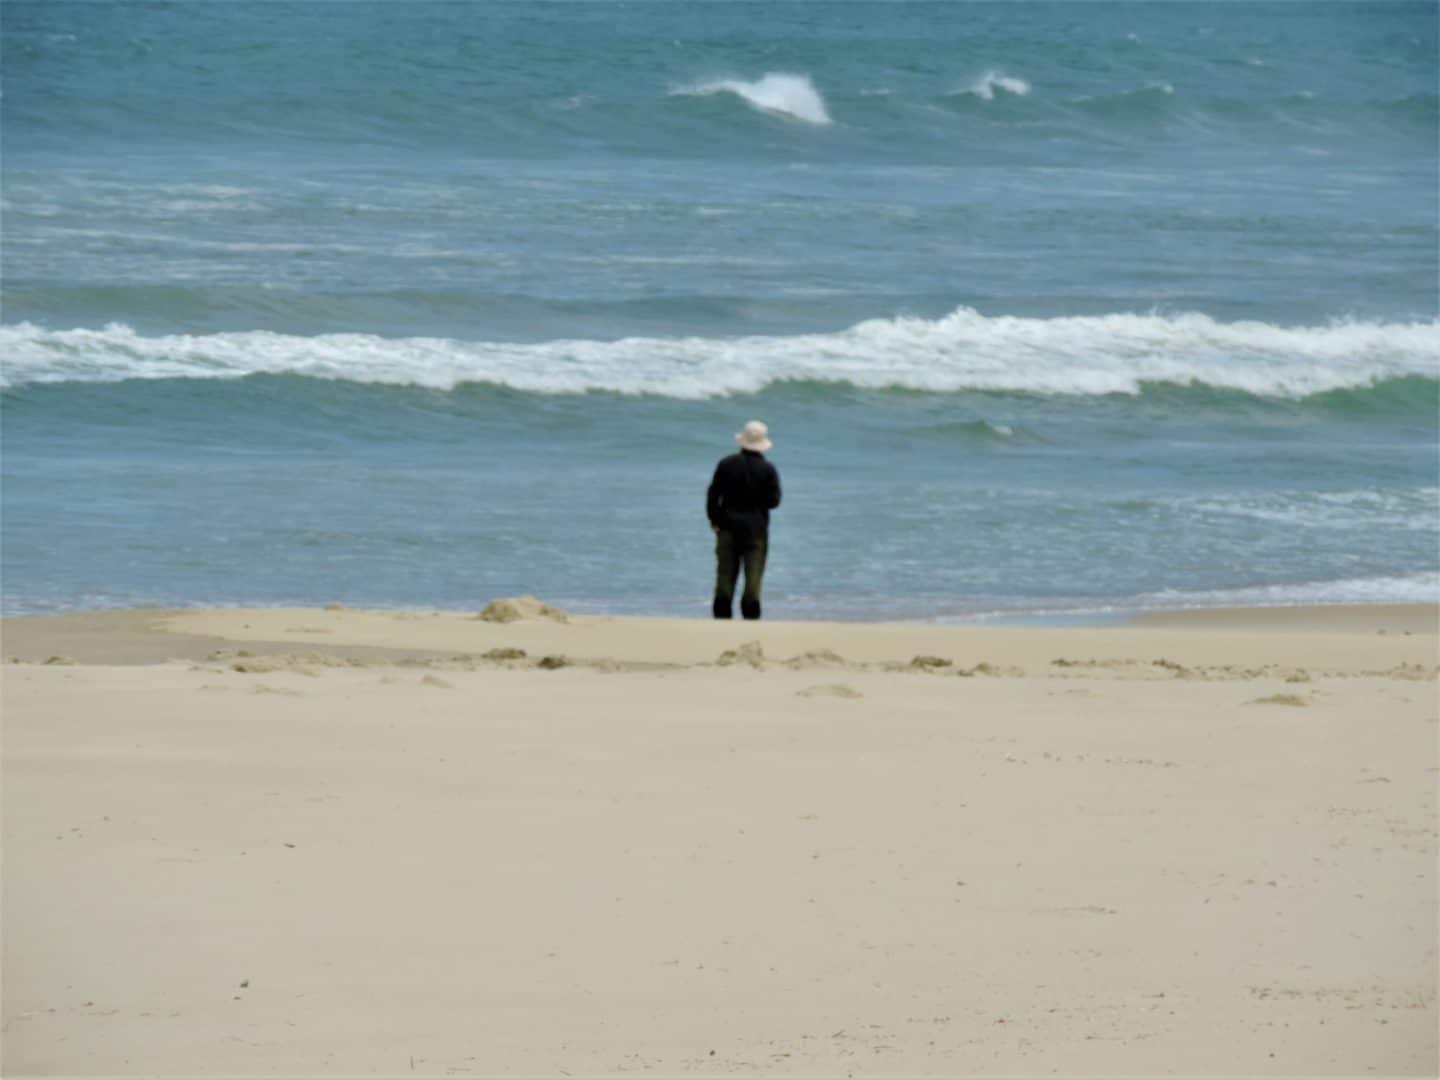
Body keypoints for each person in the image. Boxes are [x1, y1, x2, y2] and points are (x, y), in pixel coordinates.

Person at [706, 420, 782, 620]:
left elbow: (713, 495)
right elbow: (774, 502)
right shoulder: (768, 469)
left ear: (742, 441)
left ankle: (721, 620)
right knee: (753, 581)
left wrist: (714, 519)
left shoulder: (726, 464)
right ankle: (750, 620)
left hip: (727, 526)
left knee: (724, 578)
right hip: (756, 530)